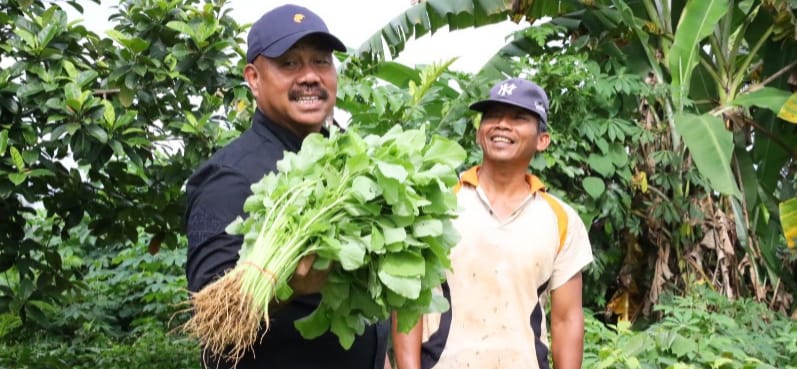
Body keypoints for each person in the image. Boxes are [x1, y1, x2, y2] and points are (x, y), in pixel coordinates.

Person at [184, 4, 389, 369]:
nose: (310, 76)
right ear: (254, 78)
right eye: (289, 63)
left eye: (321, 61)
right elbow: (213, 328)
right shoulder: (228, 178)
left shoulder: (340, 164)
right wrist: (286, 287)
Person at [391, 78, 594, 369]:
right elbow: (409, 301)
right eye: (493, 116)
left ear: (542, 140)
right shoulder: (436, 205)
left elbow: (566, 319)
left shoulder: (560, 220)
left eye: (518, 118)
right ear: (478, 133)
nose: (502, 125)